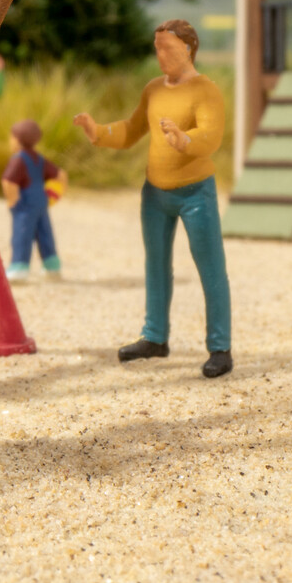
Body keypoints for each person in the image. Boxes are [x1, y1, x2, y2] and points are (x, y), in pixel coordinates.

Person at [72, 19, 233, 379]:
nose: (160, 55)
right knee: (156, 264)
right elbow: (131, 130)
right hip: (155, 193)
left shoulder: (205, 90)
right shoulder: (153, 90)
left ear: (188, 49)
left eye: (168, 48)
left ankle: (220, 346)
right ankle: (154, 336)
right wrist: (98, 131)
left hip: (196, 192)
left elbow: (211, 135)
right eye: (157, 48)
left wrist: (184, 139)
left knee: (210, 267)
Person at [2, 118, 67, 280]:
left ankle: (19, 267)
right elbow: (61, 175)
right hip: (41, 201)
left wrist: (12, 201)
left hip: (25, 204)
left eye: (12, 138)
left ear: (18, 140)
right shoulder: (39, 159)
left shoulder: (18, 159)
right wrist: (55, 195)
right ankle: (52, 267)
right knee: (45, 233)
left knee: (22, 234)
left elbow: (8, 182)